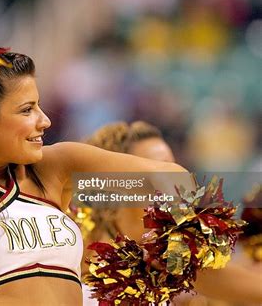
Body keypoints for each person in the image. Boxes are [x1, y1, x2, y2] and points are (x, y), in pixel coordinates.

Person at [0, 50, 197, 306]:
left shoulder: (55, 169)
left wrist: (173, 252)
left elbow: (171, 180)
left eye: (39, 106)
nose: (45, 120)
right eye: (27, 110)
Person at [77, 121, 262, 305]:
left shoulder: (176, 262)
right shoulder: (74, 264)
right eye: (157, 172)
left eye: (174, 168)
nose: (173, 185)